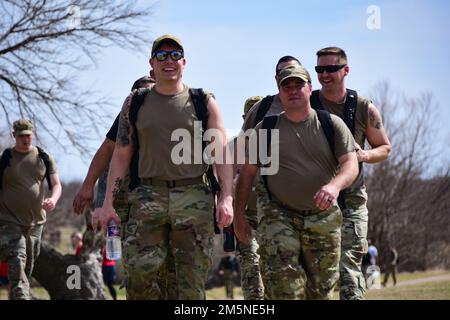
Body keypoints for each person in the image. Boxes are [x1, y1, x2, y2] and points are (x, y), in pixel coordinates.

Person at [92, 34, 234, 300]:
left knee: (190, 287)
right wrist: (108, 203)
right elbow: (121, 155)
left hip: (193, 197)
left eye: (174, 55)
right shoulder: (135, 102)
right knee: (139, 278)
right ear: (152, 63)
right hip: (147, 197)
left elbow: (221, 153)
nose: (168, 60)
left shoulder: (203, 101)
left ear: (184, 62)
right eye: (161, 55)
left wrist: (226, 197)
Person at [235, 65, 359, 300]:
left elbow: (350, 164)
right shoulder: (266, 129)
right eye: (286, 86)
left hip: (324, 217)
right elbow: (247, 173)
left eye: (298, 85)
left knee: (320, 290)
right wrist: (239, 214)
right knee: (283, 289)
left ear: (310, 89)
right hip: (279, 216)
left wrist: (334, 186)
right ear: (279, 92)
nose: (292, 91)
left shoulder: (331, 124)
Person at [312, 47, 392, 300]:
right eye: (319, 69)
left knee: (349, 270)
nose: (324, 75)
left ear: (346, 70)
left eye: (331, 69)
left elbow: (385, 148)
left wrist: (364, 155)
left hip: (352, 201)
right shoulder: (307, 103)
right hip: (313, 202)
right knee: (316, 275)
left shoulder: (363, 107)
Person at [234, 56, 302, 301]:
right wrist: (231, 208)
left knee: (287, 271)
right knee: (254, 267)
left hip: (295, 207)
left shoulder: (314, 109)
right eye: (283, 75)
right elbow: (233, 165)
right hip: (257, 209)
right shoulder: (259, 118)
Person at [0, 119, 62, 300]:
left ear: (32, 134)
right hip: (9, 223)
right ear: (14, 136)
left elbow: (56, 184)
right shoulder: (6, 159)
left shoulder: (43, 157)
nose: (25, 140)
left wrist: (53, 199)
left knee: (26, 270)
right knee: (18, 264)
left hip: (36, 224)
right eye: (21, 136)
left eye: (28, 135)